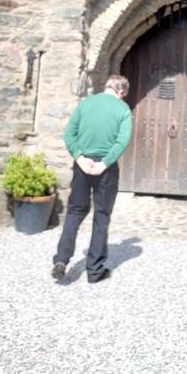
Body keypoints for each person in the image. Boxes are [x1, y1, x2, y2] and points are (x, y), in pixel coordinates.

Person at [52, 74, 132, 283]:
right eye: (123, 95)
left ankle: (61, 259)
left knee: (75, 211)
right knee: (101, 216)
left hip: (82, 166)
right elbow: (122, 141)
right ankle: (95, 271)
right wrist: (104, 164)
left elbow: (69, 135)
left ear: (107, 86)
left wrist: (79, 158)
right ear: (120, 91)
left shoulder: (85, 104)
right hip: (106, 168)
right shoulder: (123, 109)